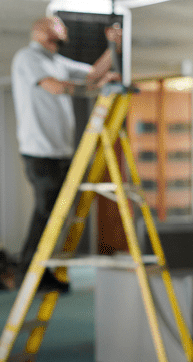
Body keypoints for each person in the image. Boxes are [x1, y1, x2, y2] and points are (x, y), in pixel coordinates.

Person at [11, 15, 122, 292]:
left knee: (57, 214)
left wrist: (114, 47)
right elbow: (56, 87)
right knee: (47, 212)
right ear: (38, 31)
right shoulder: (28, 58)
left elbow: (92, 74)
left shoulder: (57, 62)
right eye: (55, 25)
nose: (62, 29)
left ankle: (41, 270)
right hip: (40, 151)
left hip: (60, 151)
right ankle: (28, 272)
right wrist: (97, 87)